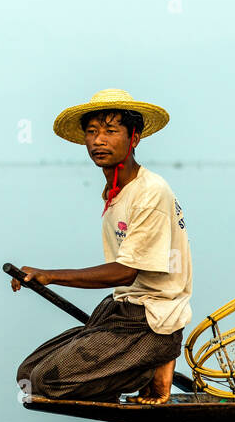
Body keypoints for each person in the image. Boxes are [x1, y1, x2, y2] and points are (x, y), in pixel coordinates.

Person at [14, 89, 192, 405]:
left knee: (45, 381)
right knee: (28, 375)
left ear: (133, 138)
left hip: (151, 319)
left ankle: (151, 364)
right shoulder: (114, 191)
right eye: (92, 132)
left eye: (111, 131)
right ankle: (129, 369)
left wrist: (50, 275)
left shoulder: (150, 192)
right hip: (119, 308)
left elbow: (125, 271)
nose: (99, 141)